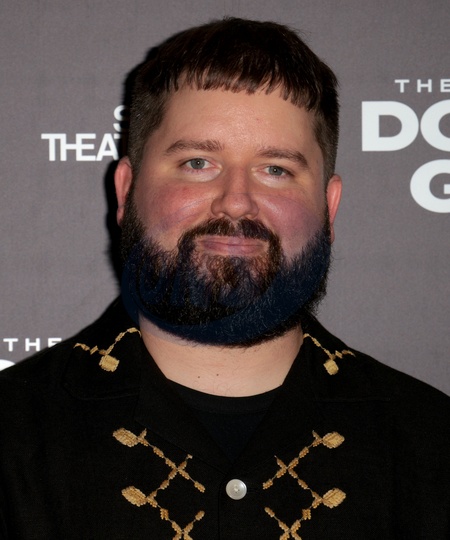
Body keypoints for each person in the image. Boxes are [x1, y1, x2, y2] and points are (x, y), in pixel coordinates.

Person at [0, 17, 449, 539]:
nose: (236, 201)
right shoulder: (12, 437)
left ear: (329, 208)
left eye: (276, 169)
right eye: (198, 162)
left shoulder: (432, 445)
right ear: (126, 192)